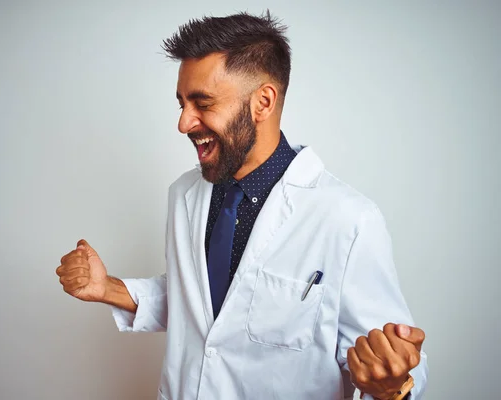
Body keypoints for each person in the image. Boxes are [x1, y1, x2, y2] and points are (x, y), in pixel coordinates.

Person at [56, 11, 428, 400]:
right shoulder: (185, 193)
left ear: (262, 102)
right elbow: (203, 304)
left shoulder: (348, 220)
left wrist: (393, 387)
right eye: (182, 103)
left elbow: (391, 363)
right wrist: (107, 288)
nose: (184, 123)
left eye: (202, 102)